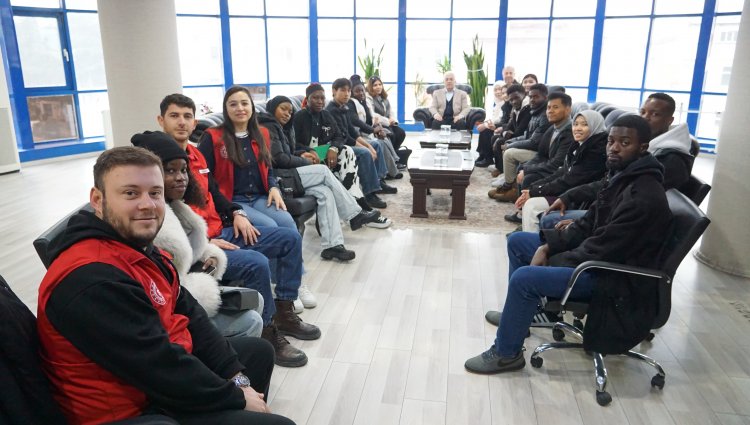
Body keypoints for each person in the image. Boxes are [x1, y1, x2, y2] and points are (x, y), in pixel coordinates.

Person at [36, 146, 295, 424]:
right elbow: (159, 367)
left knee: (258, 353)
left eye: (155, 193)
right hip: (134, 411)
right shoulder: (92, 279)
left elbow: (191, 314)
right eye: (131, 193)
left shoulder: (137, 246)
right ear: (98, 200)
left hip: (155, 384)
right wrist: (238, 397)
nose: (147, 204)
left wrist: (238, 379)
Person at [466, 115, 671, 374]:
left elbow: (603, 247)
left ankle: (506, 354)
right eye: (611, 141)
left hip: (612, 277)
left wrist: (553, 255)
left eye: (624, 143)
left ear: (643, 147)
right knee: (518, 241)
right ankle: (521, 317)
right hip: (598, 259)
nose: (614, 148)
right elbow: (590, 222)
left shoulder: (643, 195)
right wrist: (550, 245)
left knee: (525, 278)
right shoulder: (622, 176)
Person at [156, 94, 319, 365]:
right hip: (202, 243)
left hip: (222, 229)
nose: (182, 122)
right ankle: (268, 331)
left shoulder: (196, 155)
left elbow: (214, 191)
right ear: (161, 120)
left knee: (290, 237)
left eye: (187, 117)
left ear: (194, 122)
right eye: (174, 116)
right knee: (257, 263)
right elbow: (167, 218)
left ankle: (285, 311)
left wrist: (236, 213)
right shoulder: (158, 163)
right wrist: (204, 242)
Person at [144, 134, 265, 339]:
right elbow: (164, 285)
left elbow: (190, 249)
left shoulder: (177, 207)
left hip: (193, 278)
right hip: (172, 308)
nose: (181, 177)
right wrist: (201, 276)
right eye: (170, 171)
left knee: (256, 299)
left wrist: (209, 256)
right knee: (252, 318)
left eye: (184, 170)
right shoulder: (148, 219)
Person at [258, 95, 389, 259]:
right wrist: (305, 161)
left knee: (325, 192)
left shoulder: (282, 127)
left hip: (289, 175)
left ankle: (333, 246)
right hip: (279, 180)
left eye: (290, 111)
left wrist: (304, 152)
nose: (287, 114)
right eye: (283, 109)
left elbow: (288, 153)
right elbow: (278, 159)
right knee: (323, 171)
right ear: (273, 109)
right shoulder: (268, 127)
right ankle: (354, 214)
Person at [541, 92, 696, 230]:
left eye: (655, 114)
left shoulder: (672, 160)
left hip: (629, 223)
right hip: (612, 211)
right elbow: (610, 183)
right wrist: (569, 196)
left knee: (550, 220)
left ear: (670, 120)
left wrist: (584, 224)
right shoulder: (649, 147)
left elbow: (635, 206)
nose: (645, 118)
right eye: (642, 112)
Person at [198, 86, 296, 231]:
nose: (240, 108)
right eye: (233, 104)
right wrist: (226, 206)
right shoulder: (213, 136)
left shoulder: (262, 133)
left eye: (244, 103)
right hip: (231, 200)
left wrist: (273, 188)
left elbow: (268, 168)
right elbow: (204, 178)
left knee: (288, 223)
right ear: (226, 109)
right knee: (270, 226)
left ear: (251, 107)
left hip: (260, 198)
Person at [293, 83, 387, 208]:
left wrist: (333, 148)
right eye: (315, 98)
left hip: (322, 151)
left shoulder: (325, 115)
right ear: (307, 99)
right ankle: (358, 199)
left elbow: (338, 136)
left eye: (322, 98)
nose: (320, 101)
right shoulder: (299, 117)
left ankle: (356, 197)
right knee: (355, 152)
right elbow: (293, 144)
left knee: (346, 150)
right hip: (307, 155)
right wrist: (309, 150)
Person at [517, 110, 608, 232]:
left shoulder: (597, 151)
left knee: (532, 205)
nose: (578, 128)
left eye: (584, 124)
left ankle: (532, 240)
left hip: (579, 199)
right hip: (568, 192)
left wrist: (535, 191)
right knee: (530, 196)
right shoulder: (578, 145)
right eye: (575, 124)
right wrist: (533, 188)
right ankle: (527, 233)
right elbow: (562, 172)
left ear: (595, 125)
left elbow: (570, 180)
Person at [326, 78, 399, 202]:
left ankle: (379, 181)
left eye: (348, 91)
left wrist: (369, 146)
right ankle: (369, 192)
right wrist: (366, 148)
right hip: (339, 146)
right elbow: (345, 137)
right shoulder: (332, 110)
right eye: (343, 90)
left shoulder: (343, 107)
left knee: (376, 145)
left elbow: (352, 132)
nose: (347, 94)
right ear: (334, 91)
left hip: (347, 141)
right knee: (365, 153)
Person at [488, 84, 551, 198]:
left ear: (545, 97)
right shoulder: (535, 111)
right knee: (506, 145)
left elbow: (533, 142)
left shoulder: (544, 115)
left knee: (509, 153)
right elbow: (526, 135)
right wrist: (510, 142)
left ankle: (511, 188)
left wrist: (510, 145)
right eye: (531, 97)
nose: (532, 100)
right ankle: (509, 182)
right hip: (534, 148)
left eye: (536, 97)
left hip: (541, 154)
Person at [350, 76, 403, 179]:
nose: (361, 93)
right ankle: (385, 174)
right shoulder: (351, 103)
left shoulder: (362, 102)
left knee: (386, 136)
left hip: (368, 131)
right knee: (380, 143)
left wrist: (378, 128)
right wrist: (373, 130)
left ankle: (391, 168)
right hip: (359, 135)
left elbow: (370, 118)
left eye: (362, 90)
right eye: (357, 91)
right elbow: (357, 122)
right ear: (352, 92)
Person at [489, 84, 528, 183]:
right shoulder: (516, 109)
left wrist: (507, 135)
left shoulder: (526, 108)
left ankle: (506, 176)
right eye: (511, 99)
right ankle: (501, 170)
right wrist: (505, 133)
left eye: (516, 98)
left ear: (524, 94)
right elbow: (509, 126)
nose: (514, 101)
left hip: (523, 139)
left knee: (500, 142)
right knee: (496, 138)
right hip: (516, 136)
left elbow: (519, 131)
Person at [365, 75, 407, 151]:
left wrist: (393, 120)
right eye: (375, 85)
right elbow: (373, 114)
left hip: (389, 124)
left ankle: (395, 152)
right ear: (371, 87)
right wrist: (387, 121)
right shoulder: (369, 98)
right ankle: (391, 155)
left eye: (380, 84)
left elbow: (391, 111)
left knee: (401, 133)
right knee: (391, 135)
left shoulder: (384, 98)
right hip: (379, 125)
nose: (378, 87)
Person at [475, 80, 509, 168]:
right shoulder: (497, 104)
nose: (498, 92)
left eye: (500, 89)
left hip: (503, 126)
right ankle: (482, 155)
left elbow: (501, 119)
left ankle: (488, 158)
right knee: (484, 129)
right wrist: (486, 123)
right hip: (498, 125)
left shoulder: (506, 103)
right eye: (495, 90)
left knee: (486, 130)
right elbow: (493, 118)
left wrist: (486, 125)